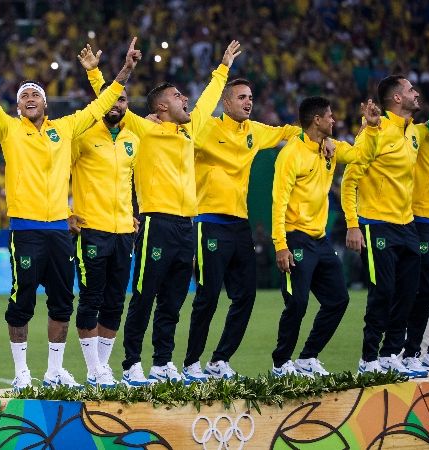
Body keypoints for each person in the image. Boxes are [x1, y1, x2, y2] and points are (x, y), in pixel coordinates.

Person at [0, 21, 140, 389]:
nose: (29, 99)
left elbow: (101, 103)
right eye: (23, 96)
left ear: (45, 104)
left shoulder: (64, 128)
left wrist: (125, 70)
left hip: (60, 231)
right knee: (21, 304)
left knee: (63, 303)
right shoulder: (9, 130)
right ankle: (21, 374)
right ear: (17, 106)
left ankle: (53, 370)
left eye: (35, 95)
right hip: (26, 229)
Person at [86, 41, 242, 386]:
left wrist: (224, 65)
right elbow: (110, 101)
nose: (186, 99)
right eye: (178, 96)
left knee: (173, 300)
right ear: (160, 105)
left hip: (188, 226)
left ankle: (161, 363)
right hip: (156, 224)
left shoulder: (190, 128)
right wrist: (96, 72)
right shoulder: (145, 129)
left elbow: (210, 97)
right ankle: (130, 365)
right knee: (144, 296)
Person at [181, 77, 302, 381]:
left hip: (240, 226)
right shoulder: (206, 127)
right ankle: (191, 362)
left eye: (250, 97)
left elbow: (289, 132)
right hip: (209, 221)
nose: (249, 102)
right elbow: (188, 121)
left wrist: (321, 138)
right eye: (241, 97)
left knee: (246, 296)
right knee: (207, 296)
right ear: (226, 102)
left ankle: (219, 360)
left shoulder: (255, 132)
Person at [270, 97, 381, 377]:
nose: (334, 120)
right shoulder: (291, 154)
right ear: (317, 120)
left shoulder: (328, 148)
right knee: (297, 303)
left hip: (319, 241)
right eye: (330, 116)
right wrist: (280, 245)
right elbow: (278, 202)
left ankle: (307, 357)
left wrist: (370, 126)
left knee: (338, 300)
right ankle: (281, 364)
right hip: (295, 238)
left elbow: (361, 154)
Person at [341, 75, 426, 377]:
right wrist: (353, 224)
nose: (417, 93)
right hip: (376, 224)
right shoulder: (375, 131)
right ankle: (368, 358)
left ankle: (391, 353)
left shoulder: (414, 132)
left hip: (407, 225)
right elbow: (350, 179)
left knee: (408, 292)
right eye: (410, 90)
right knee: (383, 291)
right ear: (397, 99)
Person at [73, 45, 140, 388]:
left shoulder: (132, 138)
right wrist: (68, 211)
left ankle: (102, 367)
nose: (117, 105)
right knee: (91, 298)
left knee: (115, 301)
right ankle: (92, 368)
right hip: (92, 230)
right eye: (113, 101)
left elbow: (134, 181)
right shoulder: (83, 135)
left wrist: (135, 214)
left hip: (123, 232)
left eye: (123, 101)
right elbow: (58, 172)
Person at [402, 97, 429, 375]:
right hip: (424, 219)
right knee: (425, 289)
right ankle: (411, 351)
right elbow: (391, 131)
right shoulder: (421, 132)